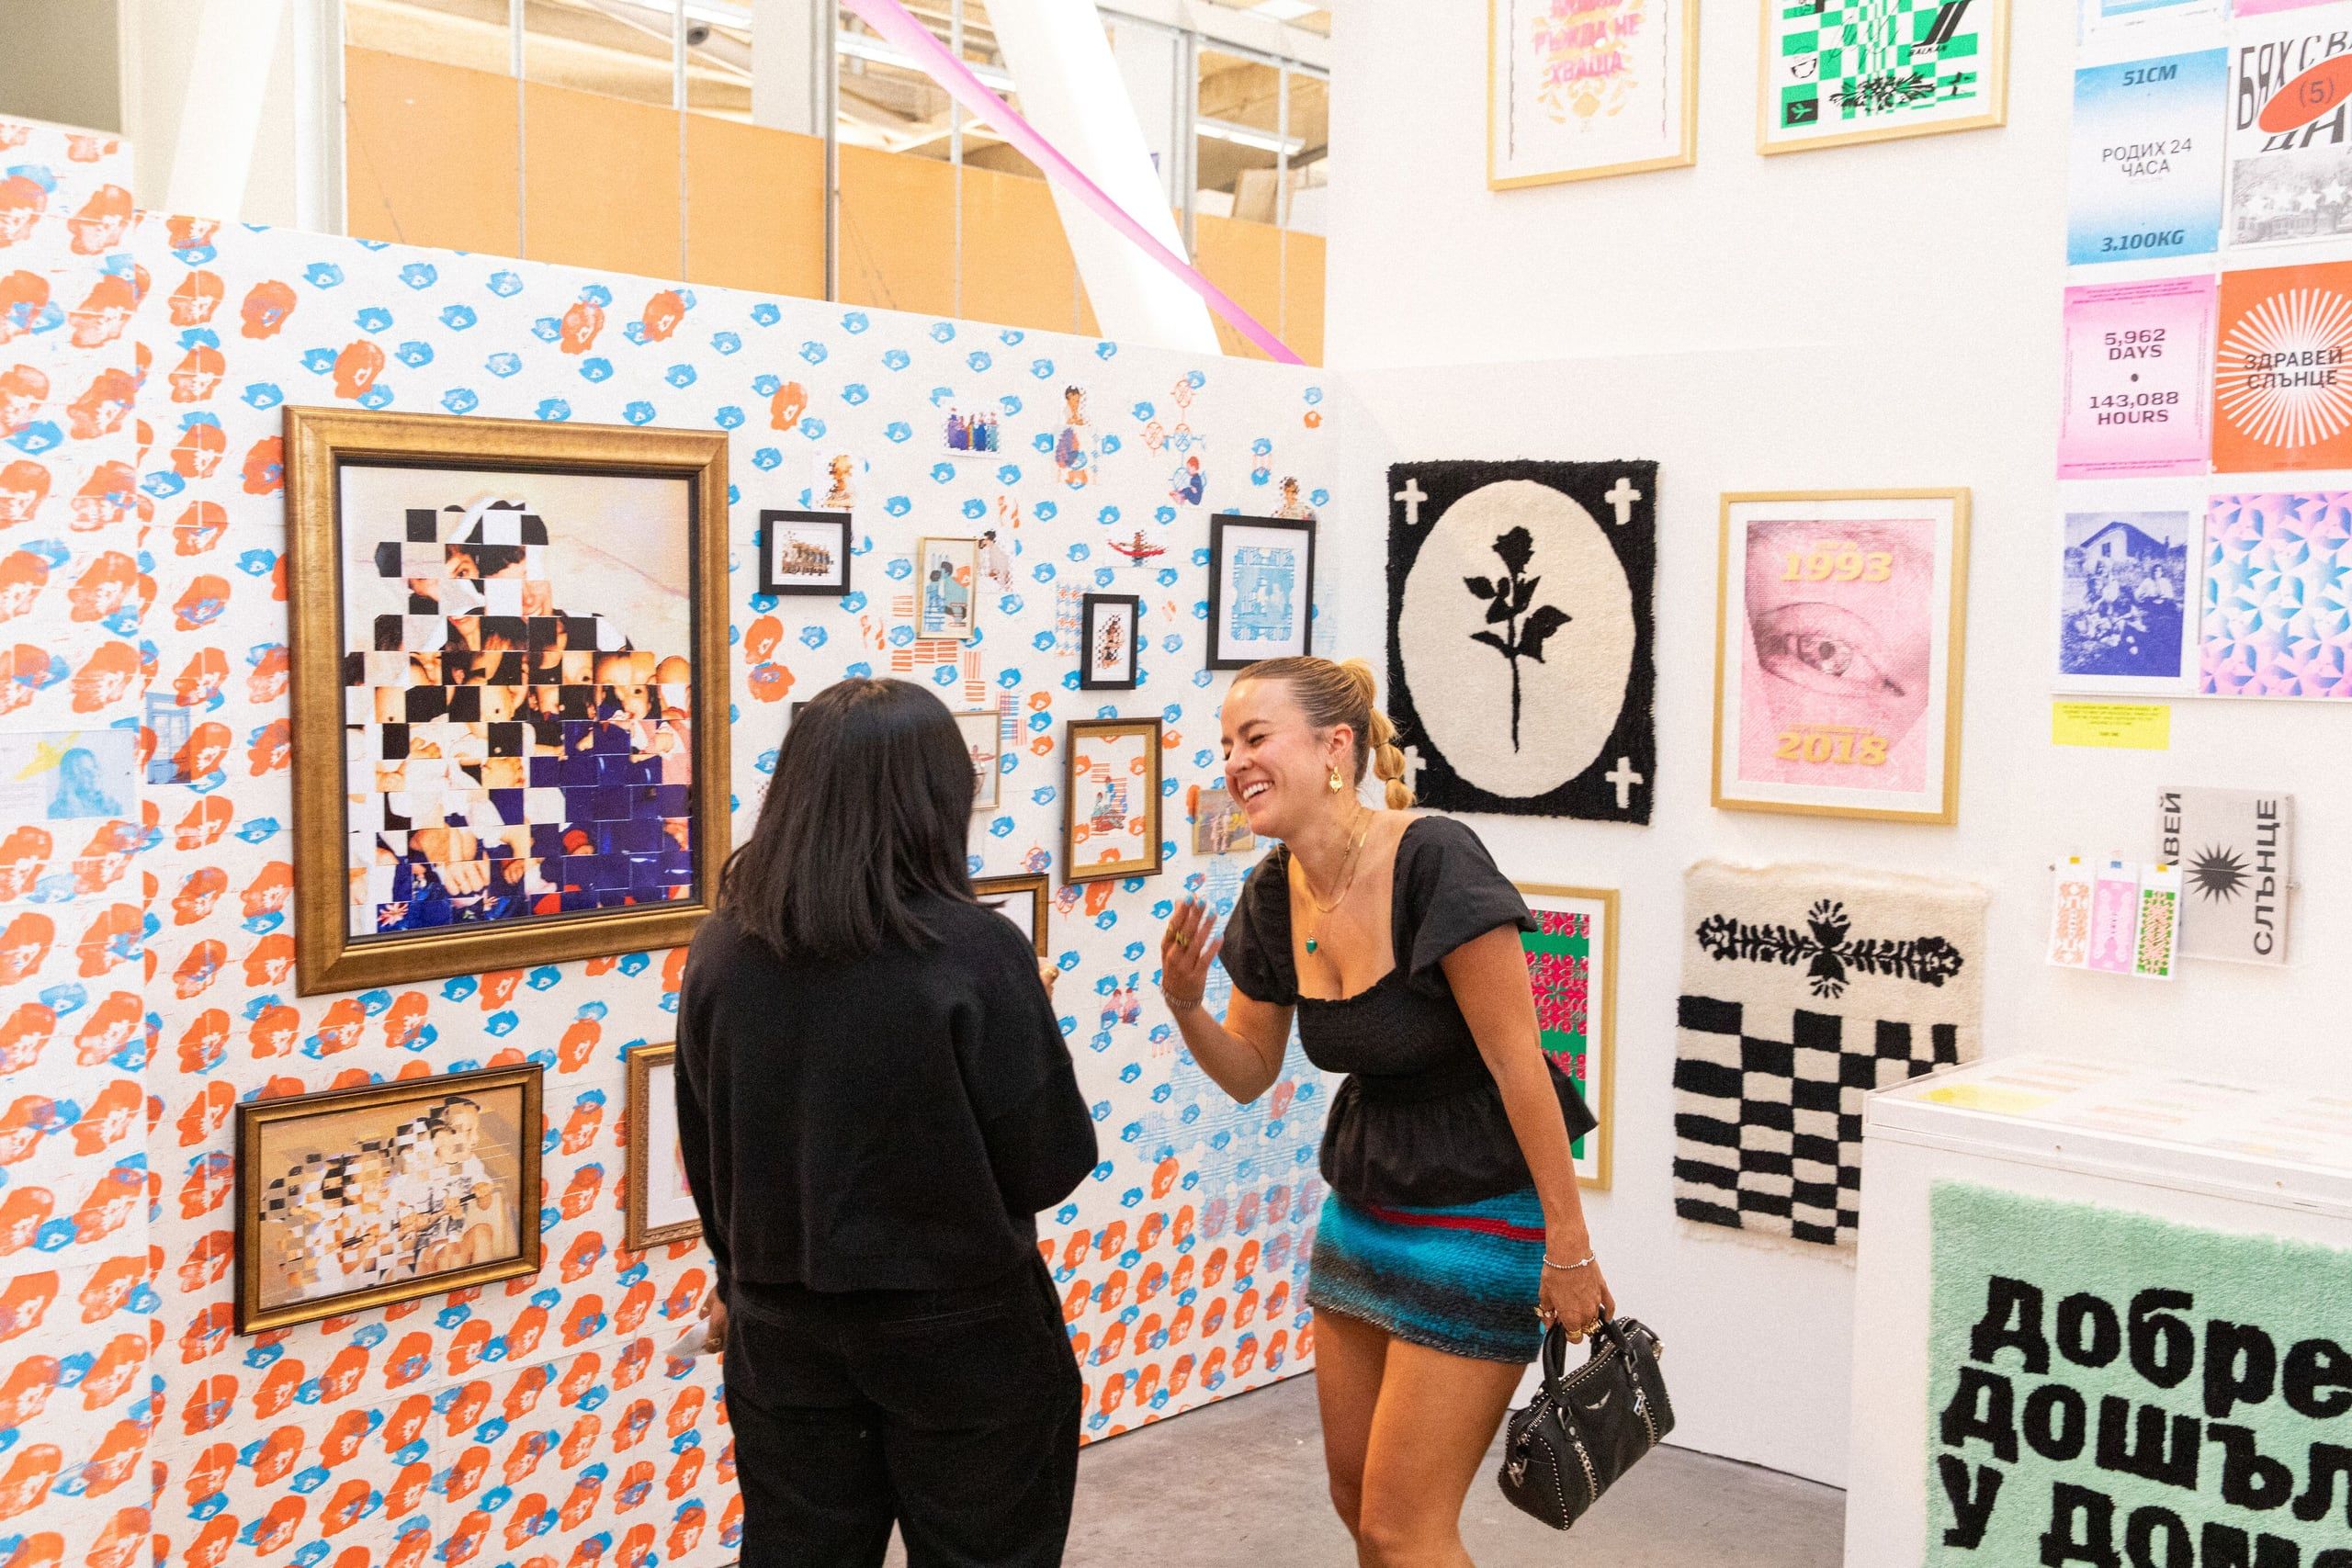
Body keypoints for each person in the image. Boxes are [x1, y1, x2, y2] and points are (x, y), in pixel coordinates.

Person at [1159, 655, 1612, 1567]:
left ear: (1334, 747)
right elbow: (1251, 1071)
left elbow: (1520, 1063)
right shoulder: (1269, 891)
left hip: (1480, 1219)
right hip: (1362, 1214)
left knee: (1405, 1530)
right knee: (1358, 1501)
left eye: (1254, 738)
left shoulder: (1433, 858)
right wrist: (1184, 1004)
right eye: (1225, 746)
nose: (1234, 762)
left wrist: (1568, 1247)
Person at [675, 677, 1097, 1568]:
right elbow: (1048, 1164)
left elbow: (709, 1157)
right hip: (963, 1335)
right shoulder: (975, 953)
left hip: (780, 1331)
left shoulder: (723, 951)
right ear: (935, 799)